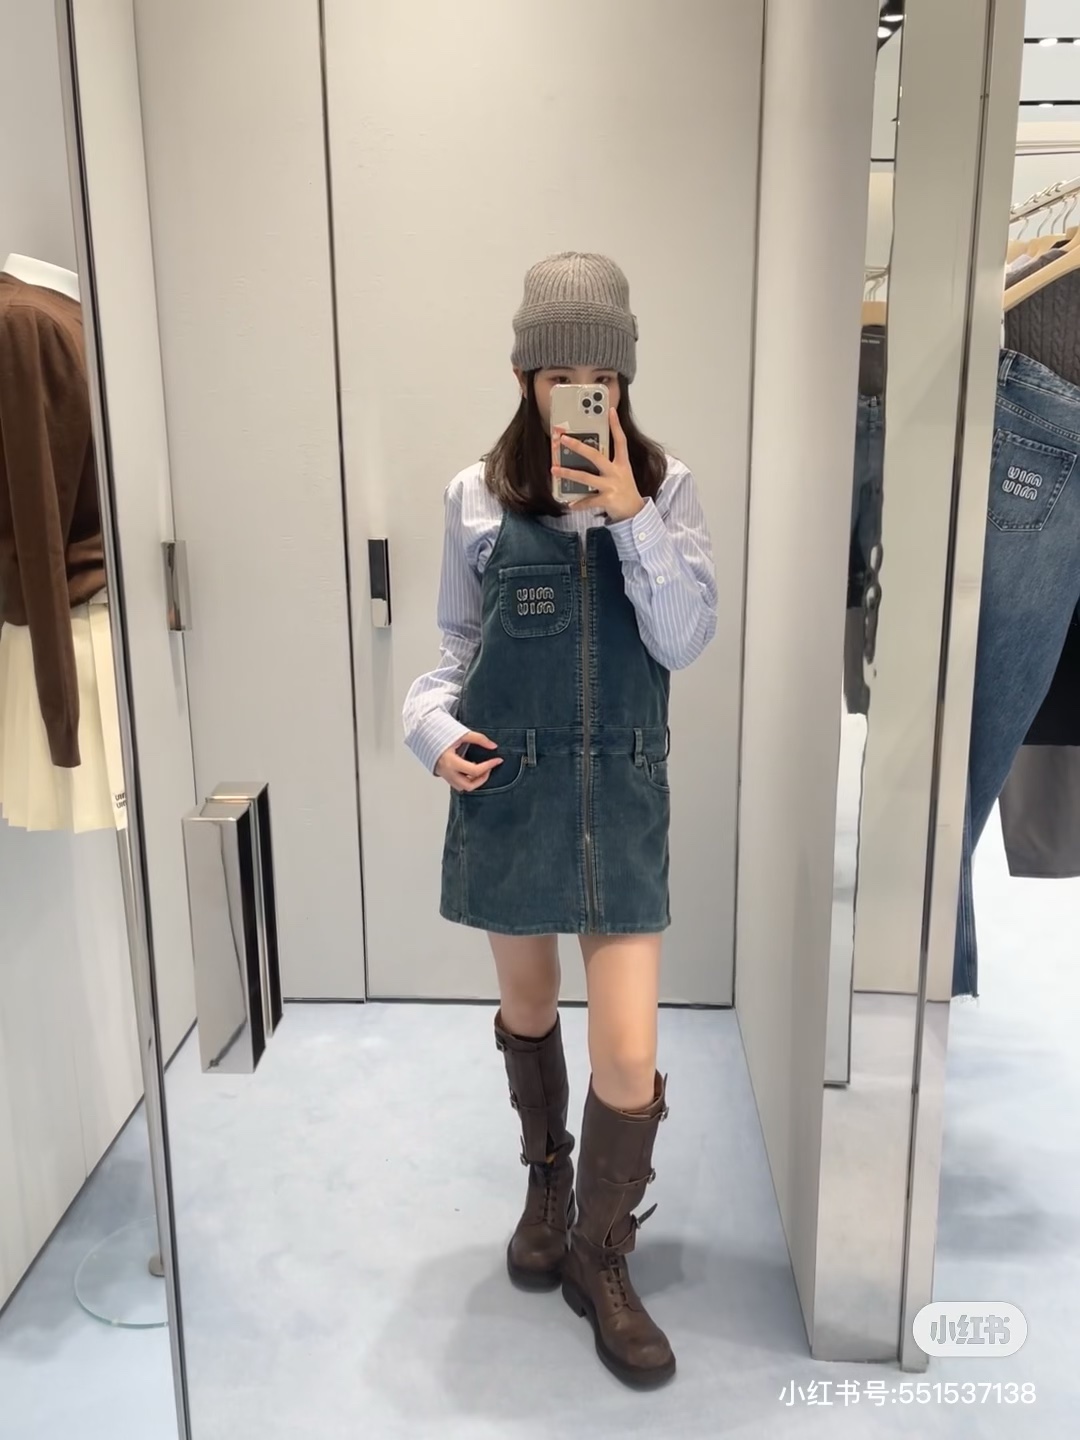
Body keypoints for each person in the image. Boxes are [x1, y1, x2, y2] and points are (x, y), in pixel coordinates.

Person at [402, 252, 717, 1389]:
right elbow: (452, 652)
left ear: (624, 379)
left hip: (622, 798)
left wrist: (630, 516)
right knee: (530, 1007)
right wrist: (430, 731)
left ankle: (600, 1250)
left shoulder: (669, 489)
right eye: (560, 375)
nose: (584, 393)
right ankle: (548, 1181)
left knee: (629, 1051)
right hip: (515, 792)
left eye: (603, 376)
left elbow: (684, 640)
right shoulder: (475, 496)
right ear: (525, 376)